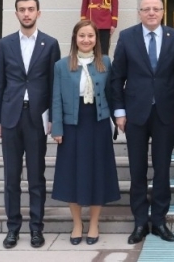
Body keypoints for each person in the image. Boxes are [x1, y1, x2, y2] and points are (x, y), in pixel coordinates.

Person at [110, 0, 174, 245]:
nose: (152, 13)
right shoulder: (127, 36)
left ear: (163, 12)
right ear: (139, 12)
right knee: (137, 169)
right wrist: (119, 112)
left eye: (156, 9)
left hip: (165, 113)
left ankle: (160, 221)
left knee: (162, 169)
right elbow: (116, 78)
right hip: (135, 113)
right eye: (147, 9)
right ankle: (140, 221)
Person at [0, 0, 61, 249]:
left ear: (38, 13)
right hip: (10, 116)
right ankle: (12, 228)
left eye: (31, 9)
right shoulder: (5, 44)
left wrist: (54, 117)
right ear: (16, 13)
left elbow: (55, 85)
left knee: (36, 176)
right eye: (22, 10)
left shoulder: (50, 44)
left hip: (36, 117)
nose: (27, 13)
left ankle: (36, 229)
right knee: (11, 176)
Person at [51, 19, 120, 245]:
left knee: (98, 172)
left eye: (90, 36)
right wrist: (57, 128)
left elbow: (113, 93)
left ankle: (93, 224)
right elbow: (57, 99)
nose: (86, 40)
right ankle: (77, 223)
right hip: (72, 125)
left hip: (98, 123)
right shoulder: (62, 65)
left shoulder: (106, 63)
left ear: (96, 40)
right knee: (72, 172)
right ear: (75, 39)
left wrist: (117, 119)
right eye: (82, 36)